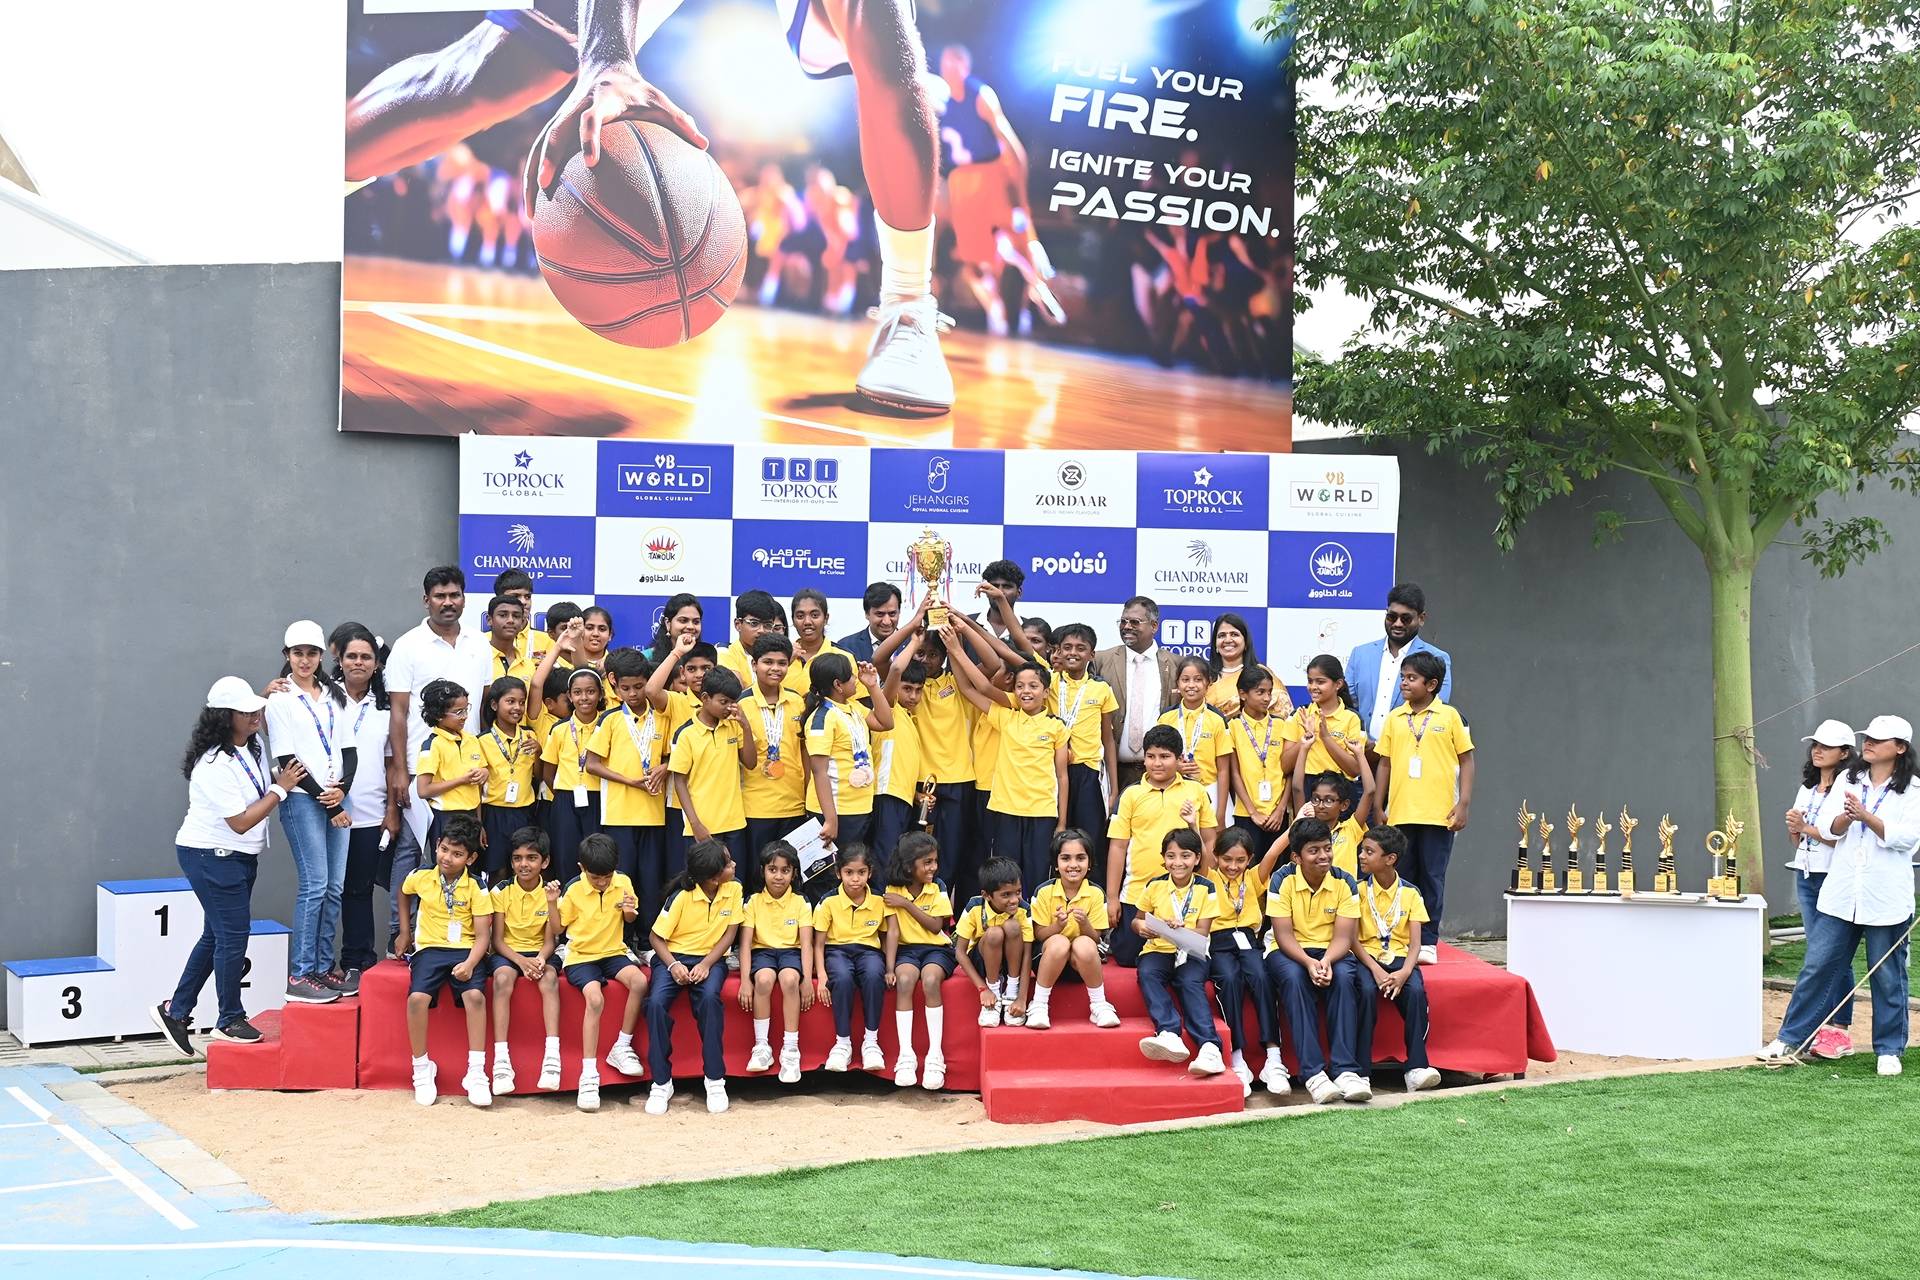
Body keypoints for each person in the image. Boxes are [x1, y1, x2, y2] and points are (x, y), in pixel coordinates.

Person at [150, 678, 307, 1056]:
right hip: (211, 856)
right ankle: (228, 1019)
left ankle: (176, 1010)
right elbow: (239, 821)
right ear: (224, 718)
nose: (255, 715)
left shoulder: (251, 744)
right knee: (234, 936)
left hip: (235, 857)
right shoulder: (213, 762)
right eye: (244, 711)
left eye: (255, 708)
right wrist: (281, 788)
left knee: (216, 935)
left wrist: (267, 695)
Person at [1763, 714, 1918, 1076]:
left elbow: (1908, 839)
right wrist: (1848, 819)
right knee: (1818, 965)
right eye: (1868, 738)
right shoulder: (1850, 779)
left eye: (1879, 740)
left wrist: (1867, 816)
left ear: (1900, 748)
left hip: (1885, 898)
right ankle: (1790, 1038)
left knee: (1886, 973)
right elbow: (1832, 829)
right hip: (1842, 890)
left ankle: (1889, 1049)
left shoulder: (1913, 791)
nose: (1870, 744)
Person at [931, 43, 1065, 334]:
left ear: (966, 67)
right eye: (944, 63)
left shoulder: (980, 95)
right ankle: (997, 311)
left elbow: (1014, 149)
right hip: (963, 182)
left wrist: (1020, 199)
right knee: (973, 262)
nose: (948, 69)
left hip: (992, 173)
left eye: (954, 63)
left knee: (1023, 244)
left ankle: (1039, 288)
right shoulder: (938, 100)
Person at [385, 567, 492, 904]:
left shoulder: (479, 643)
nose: (448, 602)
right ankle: (399, 937)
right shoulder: (408, 646)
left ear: (464, 598)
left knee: (461, 854)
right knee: (414, 853)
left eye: (454, 595)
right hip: (424, 770)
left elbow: (485, 707)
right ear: (426, 600)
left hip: (467, 771)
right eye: (440, 596)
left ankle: (454, 933)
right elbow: (398, 713)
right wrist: (401, 771)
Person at [267, 621, 354, 1004]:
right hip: (305, 799)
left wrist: (342, 792)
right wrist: (326, 799)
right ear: (286, 656)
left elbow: (348, 750)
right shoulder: (280, 698)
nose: (305, 660)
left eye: (312, 653)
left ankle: (322, 967)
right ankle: (300, 973)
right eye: (297, 653)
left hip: (336, 796)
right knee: (315, 885)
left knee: (334, 887)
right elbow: (287, 758)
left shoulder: (333, 694)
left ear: (321, 657)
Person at [1372, 652, 1474, 963]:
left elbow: (1467, 760)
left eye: (1411, 678)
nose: (1403, 682)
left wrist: (1463, 804)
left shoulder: (1450, 717)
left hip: (1438, 814)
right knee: (1403, 876)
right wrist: (1379, 804)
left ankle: (1428, 941)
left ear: (1431, 685)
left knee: (1432, 876)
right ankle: (1403, 937)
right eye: (1402, 676)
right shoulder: (1394, 718)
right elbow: (1385, 763)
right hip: (1401, 812)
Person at [948, 633, 1068, 893]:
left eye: (1034, 686)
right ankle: (1003, 927)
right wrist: (955, 649)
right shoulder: (1006, 717)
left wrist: (1061, 821)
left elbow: (1062, 777)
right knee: (1005, 875)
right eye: (1020, 686)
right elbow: (969, 688)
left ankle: (1034, 930)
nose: (1026, 691)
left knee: (1037, 876)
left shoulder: (1056, 727)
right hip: (1006, 811)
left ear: (1046, 692)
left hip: (1042, 813)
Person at [1265, 816, 1369, 1105]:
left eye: (1327, 848)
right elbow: (1283, 934)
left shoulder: (1345, 880)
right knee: (1295, 979)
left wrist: (1324, 961)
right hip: (1289, 950)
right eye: (1314, 850)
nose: (1323, 856)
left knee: (1346, 978)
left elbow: (1344, 936)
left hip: (1330, 950)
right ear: (1297, 856)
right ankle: (1313, 1074)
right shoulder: (1281, 878)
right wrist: (1309, 963)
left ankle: (1346, 1071)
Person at [394, 813, 493, 1107]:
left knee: (475, 996)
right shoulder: (420, 876)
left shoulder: (477, 887)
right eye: (444, 849)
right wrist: (404, 931)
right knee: (416, 1000)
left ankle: (476, 1072)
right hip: (429, 949)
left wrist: (471, 963)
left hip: (466, 949)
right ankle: (422, 1068)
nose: (448, 858)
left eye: (458, 854)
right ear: (436, 845)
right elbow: (403, 893)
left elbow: (483, 936)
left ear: (471, 858)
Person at [877, 610, 978, 899]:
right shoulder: (901, 690)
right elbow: (884, 663)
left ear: (943, 656)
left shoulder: (956, 684)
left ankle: (944, 918)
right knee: (912, 856)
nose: (925, 659)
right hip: (917, 786)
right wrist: (913, 632)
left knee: (951, 855)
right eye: (920, 653)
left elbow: (993, 669)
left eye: (933, 654)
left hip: (958, 780)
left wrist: (957, 641)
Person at [1780, 720, 1860, 1060]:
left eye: (1826, 746)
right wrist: (1796, 830)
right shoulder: (1808, 787)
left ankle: (1838, 1027)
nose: (1817, 750)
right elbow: (1797, 838)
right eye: (1815, 744)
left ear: (1844, 753)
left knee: (1831, 952)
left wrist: (1805, 828)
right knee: (1822, 950)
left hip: (1832, 874)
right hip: (1807, 872)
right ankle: (1829, 1026)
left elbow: (1835, 835)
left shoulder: (1848, 786)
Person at [645, 839, 744, 1115]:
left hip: (710, 960)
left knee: (711, 999)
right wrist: (674, 965)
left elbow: (730, 934)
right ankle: (661, 1082)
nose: (733, 865)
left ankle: (715, 1079)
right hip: (673, 958)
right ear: (713, 877)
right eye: (727, 863)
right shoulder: (680, 897)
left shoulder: (734, 889)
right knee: (654, 1005)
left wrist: (706, 964)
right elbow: (656, 937)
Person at [552, 832, 649, 1112]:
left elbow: (630, 917)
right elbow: (558, 929)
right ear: (582, 868)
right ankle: (589, 1074)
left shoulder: (623, 881)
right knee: (595, 999)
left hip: (612, 952)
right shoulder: (573, 890)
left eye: (607, 876)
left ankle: (622, 1046)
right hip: (581, 956)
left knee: (640, 982)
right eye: (596, 877)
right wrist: (551, 902)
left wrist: (630, 911)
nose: (603, 882)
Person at [1106, 724, 1217, 968]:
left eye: (1165, 757)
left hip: (1186, 894)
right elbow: (1117, 847)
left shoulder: (1197, 791)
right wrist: (1112, 897)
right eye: (1151, 756)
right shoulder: (1131, 795)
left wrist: (1204, 882)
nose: (1157, 763)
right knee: (1127, 959)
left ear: (1179, 759)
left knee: (1183, 962)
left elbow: (1209, 841)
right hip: (1137, 895)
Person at [1353, 824, 1442, 1094]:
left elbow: (1416, 943)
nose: (1361, 856)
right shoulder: (1356, 891)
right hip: (1367, 959)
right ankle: (1360, 1071)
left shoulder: (1411, 893)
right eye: (1362, 850)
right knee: (1366, 991)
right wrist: (1375, 970)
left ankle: (1416, 1067)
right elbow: (1352, 940)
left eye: (1369, 851)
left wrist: (1404, 972)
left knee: (1415, 991)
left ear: (1390, 859)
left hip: (1401, 960)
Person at [584, 648, 669, 927]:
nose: (633, 694)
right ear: (613, 683)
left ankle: (647, 939)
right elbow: (592, 765)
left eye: (639, 687)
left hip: (655, 814)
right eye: (625, 688)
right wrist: (630, 782)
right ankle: (622, 940)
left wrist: (664, 768)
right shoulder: (609, 719)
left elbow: (673, 756)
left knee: (650, 879)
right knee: (621, 879)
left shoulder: (662, 716)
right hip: (618, 814)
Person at [1133, 829, 1226, 1076]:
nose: (1178, 863)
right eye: (1171, 856)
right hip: (1158, 948)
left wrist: (1183, 928)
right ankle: (1169, 1032)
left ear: (1197, 858)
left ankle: (1210, 1047)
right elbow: (1138, 920)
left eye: (1185, 856)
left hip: (1191, 950)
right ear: (1163, 858)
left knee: (1190, 981)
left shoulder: (1206, 887)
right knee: (1148, 973)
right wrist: (1142, 927)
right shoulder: (1155, 885)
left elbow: (1203, 932)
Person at [333, 624, 396, 982]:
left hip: (370, 814)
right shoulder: (323, 699)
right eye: (352, 656)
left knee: (358, 889)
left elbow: (391, 762)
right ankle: (320, 965)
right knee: (327, 891)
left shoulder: (385, 706)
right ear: (339, 661)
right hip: (327, 811)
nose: (358, 662)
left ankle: (358, 960)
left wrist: (390, 811)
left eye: (366, 657)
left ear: (376, 664)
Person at [1207, 827, 1285, 1096]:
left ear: (1250, 859)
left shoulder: (1253, 878)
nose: (1233, 865)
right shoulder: (1208, 876)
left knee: (1262, 977)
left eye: (1240, 860)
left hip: (1249, 941)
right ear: (1217, 857)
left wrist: (1298, 819)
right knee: (1228, 979)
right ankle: (1237, 1057)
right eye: (1227, 859)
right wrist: (1193, 823)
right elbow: (1204, 847)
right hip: (1218, 941)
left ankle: (1273, 1057)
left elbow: (1275, 851)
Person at [487, 827, 563, 1096]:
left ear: (545, 862)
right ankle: (501, 1061)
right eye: (517, 858)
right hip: (509, 954)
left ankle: (552, 1058)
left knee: (550, 979)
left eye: (531, 858)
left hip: (539, 953)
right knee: (502, 979)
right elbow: (497, 941)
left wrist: (540, 959)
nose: (524, 864)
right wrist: (521, 962)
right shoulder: (500, 891)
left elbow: (550, 940)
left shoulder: (552, 892)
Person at [880, 832, 955, 1089]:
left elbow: (936, 926)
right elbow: (892, 932)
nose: (933, 867)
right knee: (904, 979)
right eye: (927, 862)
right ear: (909, 865)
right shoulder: (892, 889)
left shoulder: (939, 887)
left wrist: (906, 904)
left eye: (935, 861)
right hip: (906, 951)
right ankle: (906, 1054)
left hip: (936, 949)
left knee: (931, 979)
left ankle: (935, 1056)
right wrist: (889, 967)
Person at [1025, 830, 1120, 1030]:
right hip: (1047, 960)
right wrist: (1057, 926)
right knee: (1059, 941)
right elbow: (1038, 934)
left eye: (1081, 858)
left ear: (1090, 863)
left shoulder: (1096, 893)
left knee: (1084, 942)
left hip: (1080, 966)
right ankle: (1039, 1004)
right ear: (1056, 864)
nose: (1073, 865)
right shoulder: (1043, 891)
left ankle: (1099, 1004)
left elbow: (1096, 938)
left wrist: (1085, 924)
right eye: (1065, 858)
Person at [738, 841, 814, 1083]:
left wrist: (808, 979)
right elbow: (746, 944)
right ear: (763, 871)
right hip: (763, 953)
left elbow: (806, 943)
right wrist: (744, 982)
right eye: (773, 869)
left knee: (790, 979)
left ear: (793, 873)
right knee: (763, 979)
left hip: (791, 953)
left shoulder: (802, 902)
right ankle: (762, 1047)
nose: (778, 876)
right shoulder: (752, 901)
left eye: (785, 870)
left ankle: (790, 1049)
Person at [804, 654, 894, 856]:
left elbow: (886, 722)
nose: (856, 679)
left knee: (851, 870)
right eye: (852, 676)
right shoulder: (822, 718)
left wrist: (872, 686)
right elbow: (819, 772)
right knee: (828, 877)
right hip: (835, 811)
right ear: (838, 684)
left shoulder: (853, 707)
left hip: (859, 807)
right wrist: (830, 819)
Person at [668, 667, 758, 869]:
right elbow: (679, 781)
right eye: (723, 702)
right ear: (705, 698)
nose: (729, 708)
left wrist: (746, 726)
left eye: (733, 702)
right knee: (705, 882)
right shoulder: (686, 733)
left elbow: (751, 764)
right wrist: (695, 824)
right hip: (702, 827)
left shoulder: (734, 725)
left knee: (735, 882)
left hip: (735, 823)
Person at [813, 844, 890, 1072]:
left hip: (869, 951)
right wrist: (823, 976)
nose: (855, 879)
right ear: (839, 873)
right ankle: (842, 1042)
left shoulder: (879, 900)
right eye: (849, 873)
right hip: (836, 950)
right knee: (843, 979)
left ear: (870, 873)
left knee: (875, 974)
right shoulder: (828, 902)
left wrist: (888, 967)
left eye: (861, 873)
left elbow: (885, 937)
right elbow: (818, 944)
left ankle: (871, 1042)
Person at [1347, 584, 1454, 744]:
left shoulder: (1436, 658)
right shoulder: (1361, 654)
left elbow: (1435, 711)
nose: (1397, 623)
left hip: (1406, 755)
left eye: (1405, 618)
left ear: (1421, 618)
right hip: (1361, 756)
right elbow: (1348, 705)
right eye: (1391, 617)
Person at [1093, 596, 1178, 792]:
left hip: (1162, 775)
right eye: (1123, 621)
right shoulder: (1100, 661)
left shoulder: (1176, 665)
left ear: (1154, 626)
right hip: (1112, 773)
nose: (1126, 626)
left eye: (1134, 622)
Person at [740, 633, 808, 876]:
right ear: (754, 664)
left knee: (792, 877)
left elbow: (804, 751)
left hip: (794, 805)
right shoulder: (740, 704)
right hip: (756, 808)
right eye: (768, 662)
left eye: (782, 663)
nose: (775, 668)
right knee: (759, 877)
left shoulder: (798, 702)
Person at [1049, 624, 1119, 845]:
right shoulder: (1047, 683)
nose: (1073, 653)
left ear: (1092, 654)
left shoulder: (1102, 689)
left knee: (1090, 838)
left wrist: (1114, 789)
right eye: (1067, 647)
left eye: (1081, 648)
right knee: (1054, 836)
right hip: (1051, 771)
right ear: (1057, 651)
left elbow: (1107, 738)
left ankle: (1092, 880)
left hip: (1088, 773)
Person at [540, 666, 607, 883]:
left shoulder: (609, 725)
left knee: (597, 856)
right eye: (577, 692)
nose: (584, 698)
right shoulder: (559, 729)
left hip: (599, 798)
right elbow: (548, 772)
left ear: (600, 694)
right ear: (569, 695)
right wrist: (563, 795)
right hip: (565, 800)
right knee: (566, 856)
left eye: (590, 691)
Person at [413, 679, 488, 867]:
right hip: (445, 817)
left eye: (466, 709)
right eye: (458, 712)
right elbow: (423, 790)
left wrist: (484, 773)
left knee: (472, 869)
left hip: (471, 815)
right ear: (438, 715)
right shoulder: (432, 745)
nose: (464, 717)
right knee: (447, 867)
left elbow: (476, 786)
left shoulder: (472, 740)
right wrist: (462, 780)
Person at [1159, 655, 1234, 842]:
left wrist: (1221, 812)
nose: (1191, 685)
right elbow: (1157, 758)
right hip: (1174, 788)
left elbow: (1224, 769)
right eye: (1185, 680)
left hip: (1210, 790)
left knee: (1210, 846)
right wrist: (1175, 767)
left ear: (1208, 683)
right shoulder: (1166, 718)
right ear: (1177, 683)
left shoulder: (1217, 719)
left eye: (1198, 679)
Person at [1289, 654, 1372, 819]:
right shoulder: (1300, 714)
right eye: (1310, 681)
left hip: (1341, 789)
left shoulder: (1352, 718)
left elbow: (1355, 769)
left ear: (1338, 684)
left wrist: (1326, 737)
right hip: (1308, 787)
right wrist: (1305, 740)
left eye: (1320, 682)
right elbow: (1284, 765)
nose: (1313, 687)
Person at [954, 857, 1032, 1028]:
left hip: (1013, 962)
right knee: (994, 933)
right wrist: (983, 989)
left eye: (1018, 892)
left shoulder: (1024, 909)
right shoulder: (975, 906)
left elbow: (1027, 953)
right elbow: (960, 952)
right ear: (986, 895)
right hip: (982, 961)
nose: (1014, 900)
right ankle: (994, 995)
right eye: (1006, 895)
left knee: (1012, 927)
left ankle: (1011, 992)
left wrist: (1022, 998)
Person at [477, 675, 540, 882]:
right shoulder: (482, 741)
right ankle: (496, 915)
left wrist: (539, 753)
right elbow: (476, 789)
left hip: (525, 813)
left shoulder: (530, 736)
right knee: (498, 871)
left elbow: (538, 776)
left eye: (522, 702)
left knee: (522, 870)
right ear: (494, 704)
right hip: (494, 813)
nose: (517, 708)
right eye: (510, 701)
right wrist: (479, 824)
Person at [872, 639, 928, 865]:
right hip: (886, 795)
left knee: (898, 858)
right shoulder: (888, 708)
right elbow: (895, 669)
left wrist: (916, 796)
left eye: (918, 690)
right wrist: (916, 640)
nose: (913, 696)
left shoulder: (910, 719)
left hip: (903, 798)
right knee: (885, 857)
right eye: (907, 688)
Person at [1228, 666, 1290, 845]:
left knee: (1277, 869)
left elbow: (1288, 772)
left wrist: (1281, 809)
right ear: (1243, 694)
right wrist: (1253, 812)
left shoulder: (1281, 725)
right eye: (1260, 692)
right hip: (1246, 813)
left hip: (1278, 814)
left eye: (1270, 692)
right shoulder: (1232, 727)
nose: (1267, 698)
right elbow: (1235, 774)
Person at [785, 590, 856, 697]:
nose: (807, 622)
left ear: (826, 618)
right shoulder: (782, 657)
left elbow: (856, 703)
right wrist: (786, 662)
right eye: (800, 616)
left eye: (814, 615)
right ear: (793, 620)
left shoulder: (844, 657)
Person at [1205, 612, 1272, 719]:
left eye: (1234, 634)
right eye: (1222, 635)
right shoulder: (1205, 677)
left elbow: (1281, 713)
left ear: (1246, 642)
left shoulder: (1261, 673)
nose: (1227, 640)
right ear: (1215, 644)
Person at [719, 590, 779, 685]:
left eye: (767, 625)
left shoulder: (779, 657)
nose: (761, 630)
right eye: (754, 623)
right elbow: (735, 691)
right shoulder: (724, 652)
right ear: (738, 624)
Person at [838, 582, 903, 663]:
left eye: (892, 614)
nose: (887, 621)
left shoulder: (913, 645)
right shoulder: (846, 647)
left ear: (899, 612)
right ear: (866, 613)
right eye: (880, 614)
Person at [647, 593, 705, 664]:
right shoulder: (647, 658)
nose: (691, 626)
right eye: (683, 620)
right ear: (668, 623)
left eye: (696, 622)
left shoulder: (707, 658)